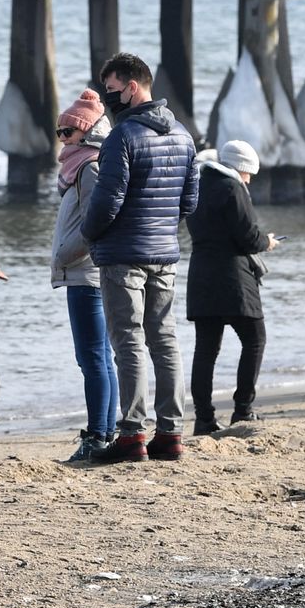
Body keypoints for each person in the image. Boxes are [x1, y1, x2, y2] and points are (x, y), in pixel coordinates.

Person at [80, 54, 199, 463]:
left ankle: (132, 434)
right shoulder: (184, 136)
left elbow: (106, 202)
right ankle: (171, 432)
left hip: (122, 256)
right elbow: (189, 201)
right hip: (164, 253)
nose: (109, 98)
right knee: (164, 340)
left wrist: (88, 234)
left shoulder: (122, 137)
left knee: (129, 342)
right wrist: (161, 227)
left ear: (133, 87)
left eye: (112, 89)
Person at [185, 141, 275, 434]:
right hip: (233, 277)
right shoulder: (232, 188)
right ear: (239, 168)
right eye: (248, 173)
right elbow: (248, 237)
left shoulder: (196, 184)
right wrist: (267, 242)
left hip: (201, 275)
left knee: (205, 350)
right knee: (255, 339)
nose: (248, 180)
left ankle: (203, 419)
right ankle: (243, 410)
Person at [48, 90, 117, 463]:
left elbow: (97, 222)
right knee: (101, 357)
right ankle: (106, 432)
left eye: (67, 132)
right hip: (88, 273)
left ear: (86, 132)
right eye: (59, 132)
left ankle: (97, 436)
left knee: (92, 359)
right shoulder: (85, 165)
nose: (62, 140)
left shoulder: (89, 167)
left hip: (85, 275)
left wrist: (64, 254)